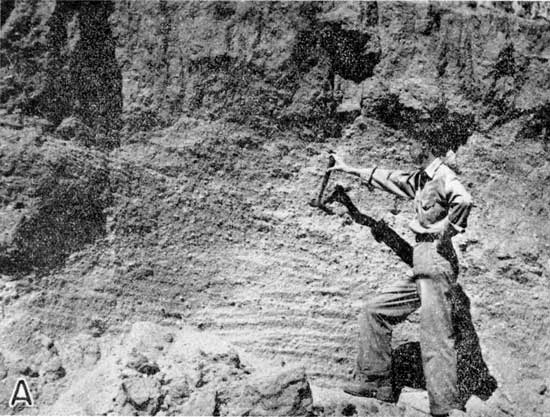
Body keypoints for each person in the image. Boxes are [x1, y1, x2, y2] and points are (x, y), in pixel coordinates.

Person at [328, 138, 473, 417]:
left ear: (430, 148)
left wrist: (447, 234)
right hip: (422, 260)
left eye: (418, 144)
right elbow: (389, 178)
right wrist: (347, 169)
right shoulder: (420, 179)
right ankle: (375, 383)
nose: (412, 149)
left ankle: (444, 407)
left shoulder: (443, 176)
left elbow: (464, 199)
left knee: (435, 335)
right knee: (374, 311)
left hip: (436, 258)